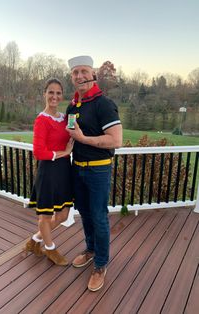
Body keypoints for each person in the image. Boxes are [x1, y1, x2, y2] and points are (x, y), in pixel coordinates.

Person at [66, 56, 122, 291]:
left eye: (83, 71)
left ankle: (101, 264)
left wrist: (84, 139)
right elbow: (70, 137)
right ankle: (90, 249)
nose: (79, 76)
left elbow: (116, 140)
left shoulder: (104, 104)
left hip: (98, 169)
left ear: (93, 74)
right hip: (77, 167)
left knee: (98, 217)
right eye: (75, 73)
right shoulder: (73, 106)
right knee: (85, 213)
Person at [24, 78, 74, 266]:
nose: (54, 96)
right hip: (49, 171)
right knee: (45, 215)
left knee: (63, 215)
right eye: (51, 92)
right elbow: (38, 152)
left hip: (64, 171)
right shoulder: (41, 120)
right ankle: (50, 249)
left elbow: (72, 134)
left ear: (62, 96)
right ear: (44, 94)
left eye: (58, 93)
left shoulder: (64, 118)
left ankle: (35, 241)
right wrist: (65, 153)